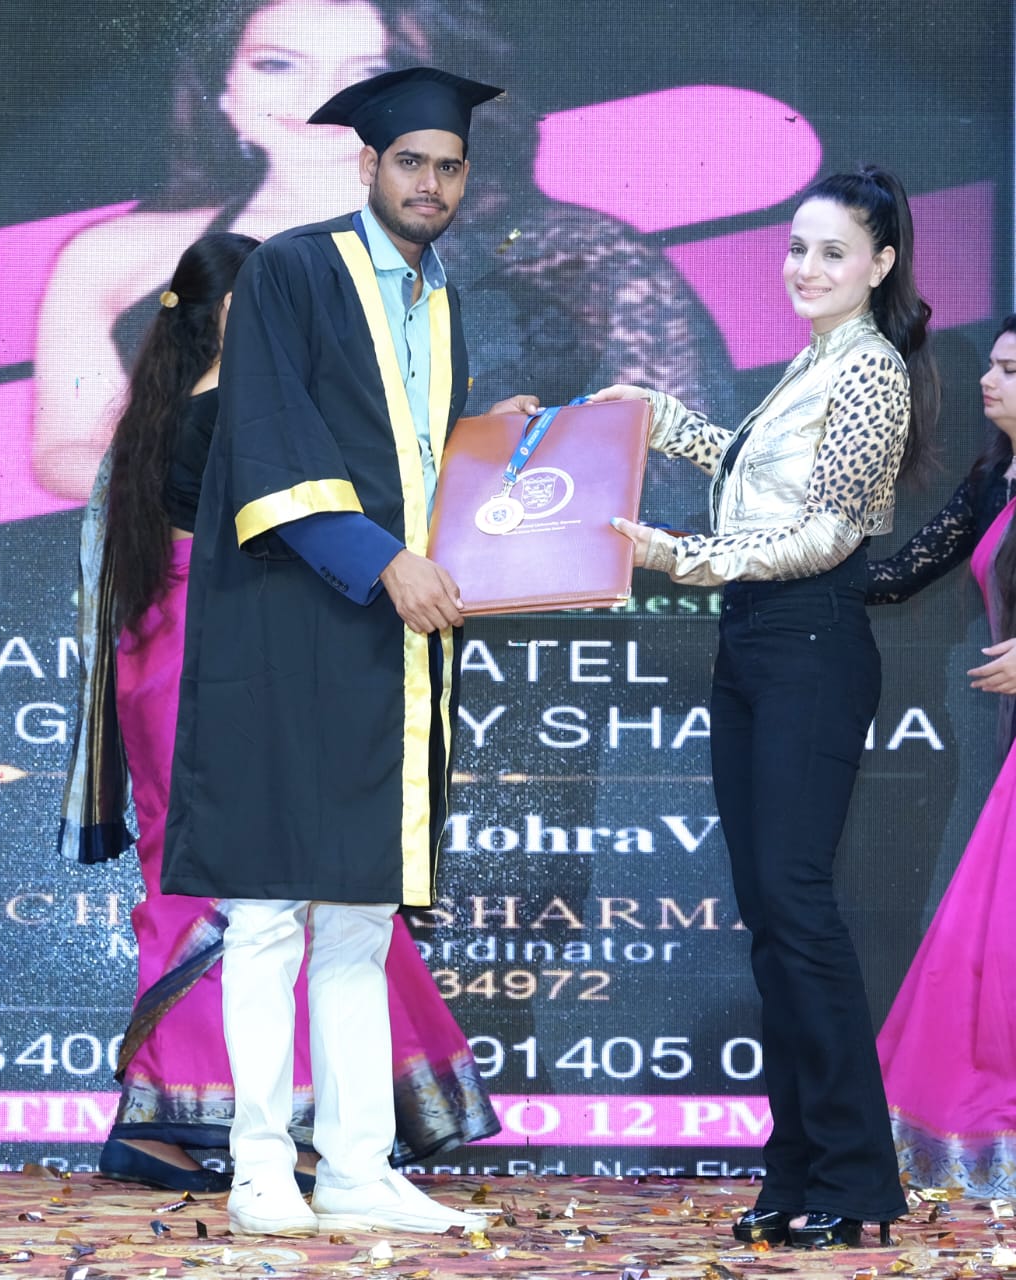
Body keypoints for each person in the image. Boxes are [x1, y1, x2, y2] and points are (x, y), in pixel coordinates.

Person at [160, 66, 527, 1237]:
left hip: (385, 634)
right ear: (367, 165)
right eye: (411, 162)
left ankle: (360, 1165)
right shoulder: (293, 268)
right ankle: (262, 1166)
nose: (431, 184)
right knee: (270, 912)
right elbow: (273, 447)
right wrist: (382, 561)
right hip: (291, 619)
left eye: (449, 166)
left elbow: (406, 458)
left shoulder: (442, 300)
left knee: (361, 918)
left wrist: (491, 452)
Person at [59, 230, 500, 1197]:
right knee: (264, 890)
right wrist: (470, 454)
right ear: (236, 310)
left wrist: (469, 439)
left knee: (209, 888)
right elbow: (352, 498)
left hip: (162, 658)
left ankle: (174, 1122)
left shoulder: (169, 406)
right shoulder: (240, 409)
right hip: (220, 659)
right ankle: (263, 1126)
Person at [589, 166, 939, 1248]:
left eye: (833, 251)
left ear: (880, 265)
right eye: (797, 247)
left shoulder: (871, 367)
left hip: (810, 642)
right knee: (775, 920)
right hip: (755, 640)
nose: (806, 268)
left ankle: (853, 1176)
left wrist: (676, 556)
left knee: (797, 911)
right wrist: (656, 415)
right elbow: (752, 473)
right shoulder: (810, 362)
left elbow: (828, 533)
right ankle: (798, 1168)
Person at [31, 0, 732, 509]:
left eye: (366, 70)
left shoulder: (565, 254)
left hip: (447, 593)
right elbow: (68, 451)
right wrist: (257, 498)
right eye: (277, 64)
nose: (320, 97)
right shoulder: (116, 257)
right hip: (201, 574)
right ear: (223, 88)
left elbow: (669, 463)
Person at [867, 315, 1016, 1198]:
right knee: (987, 957)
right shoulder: (995, 478)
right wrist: (770, 559)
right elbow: (900, 573)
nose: (990, 382)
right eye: (993, 365)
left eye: (1012, 370)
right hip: (1006, 750)